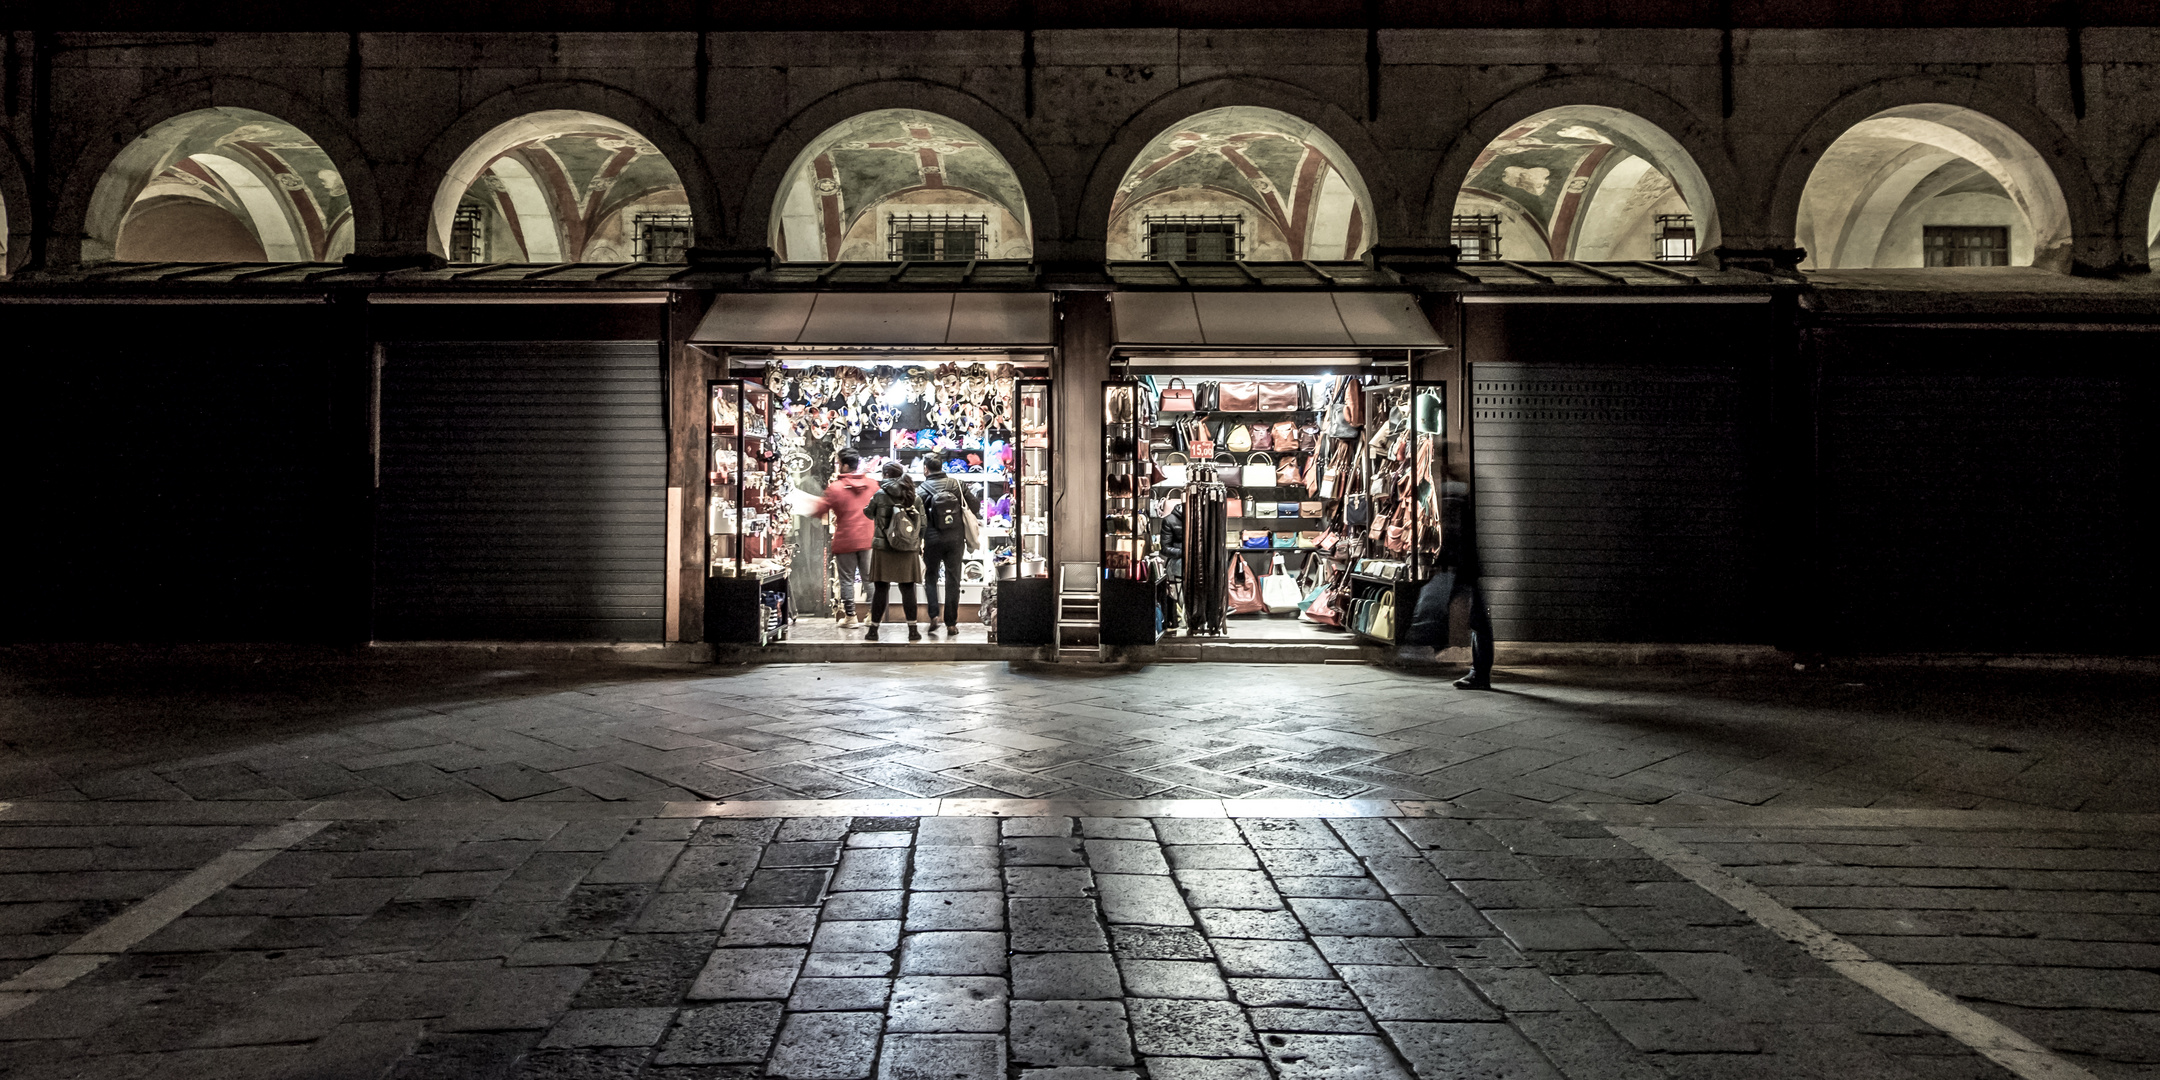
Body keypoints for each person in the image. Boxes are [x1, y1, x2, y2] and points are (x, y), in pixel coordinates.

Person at [807, 451, 877, 628]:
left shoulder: (836, 488)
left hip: (845, 539)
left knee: (847, 580)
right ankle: (873, 616)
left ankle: (851, 617)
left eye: (838, 463)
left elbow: (819, 511)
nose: (838, 465)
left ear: (845, 465)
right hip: (868, 538)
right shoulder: (872, 485)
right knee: (869, 578)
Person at [915, 458, 981, 637]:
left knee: (930, 577)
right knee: (953, 579)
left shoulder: (921, 490)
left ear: (926, 469)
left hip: (932, 540)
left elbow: (917, 518)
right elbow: (975, 505)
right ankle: (951, 624)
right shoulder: (957, 485)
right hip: (955, 540)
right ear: (941, 467)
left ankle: (934, 615)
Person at [863, 462, 927, 642]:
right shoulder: (913, 495)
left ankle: (873, 631)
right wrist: (916, 541)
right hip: (908, 549)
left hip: (883, 548)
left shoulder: (880, 495)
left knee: (881, 589)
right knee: (908, 589)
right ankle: (913, 631)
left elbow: (869, 513)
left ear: (885, 474)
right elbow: (923, 524)